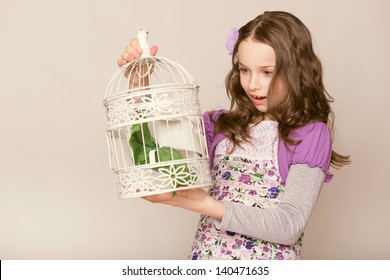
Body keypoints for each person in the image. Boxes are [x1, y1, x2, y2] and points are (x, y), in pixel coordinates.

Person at [117, 11, 350, 260]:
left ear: (296, 70)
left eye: (267, 72)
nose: (252, 84)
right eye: (244, 70)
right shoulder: (219, 126)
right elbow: (153, 144)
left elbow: (289, 225)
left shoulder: (311, 135)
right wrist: (138, 86)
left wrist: (203, 204)